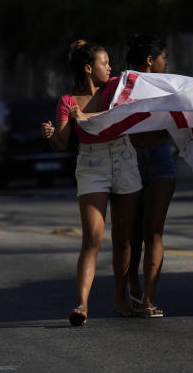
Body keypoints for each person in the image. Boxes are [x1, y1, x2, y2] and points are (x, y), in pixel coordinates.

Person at [41, 40, 142, 325]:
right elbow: (62, 143)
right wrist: (51, 134)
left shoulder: (115, 88)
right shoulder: (68, 101)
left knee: (124, 237)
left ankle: (120, 297)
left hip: (123, 155)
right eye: (104, 63)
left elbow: (119, 117)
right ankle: (82, 305)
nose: (110, 67)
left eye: (109, 63)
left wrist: (86, 117)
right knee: (92, 237)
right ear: (89, 68)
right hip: (91, 164)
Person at [124, 34, 176, 319]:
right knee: (132, 234)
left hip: (160, 159)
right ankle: (131, 288)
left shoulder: (168, 86)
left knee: (153, 230)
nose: (166, 63)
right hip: (129, 161)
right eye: (163, 58)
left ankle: (148, 298)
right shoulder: (122, 85)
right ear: (149, 60)